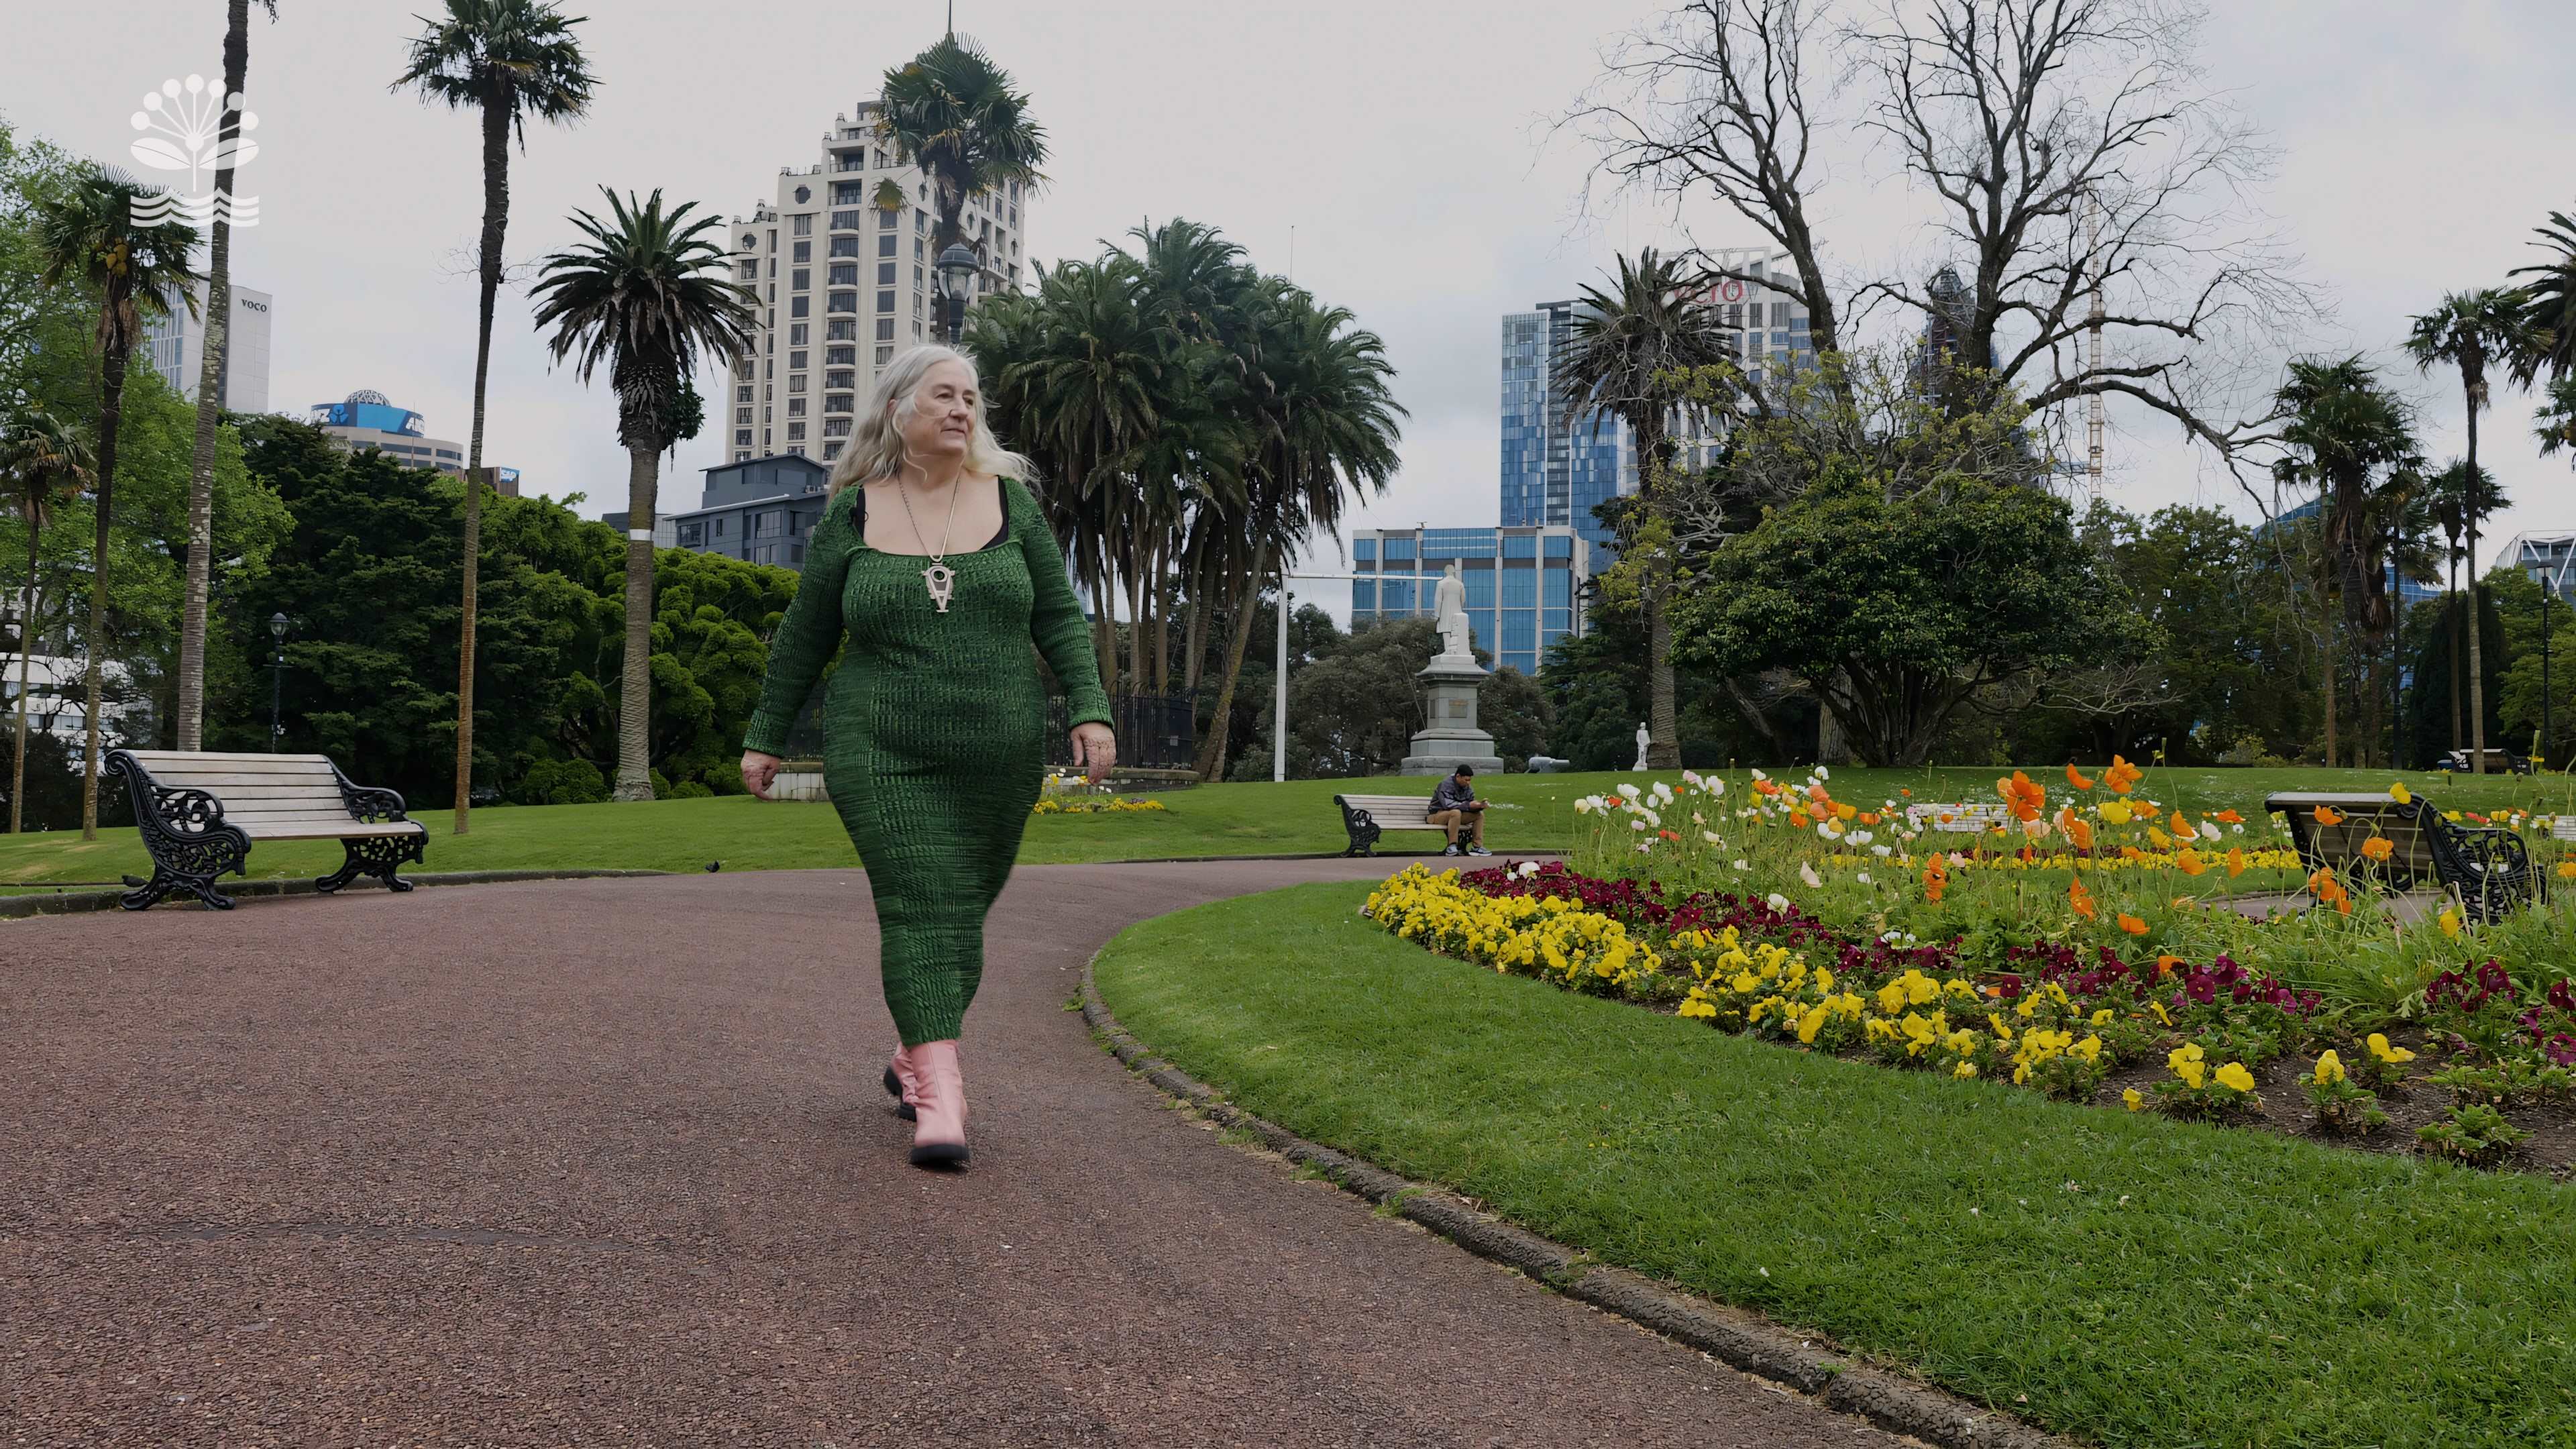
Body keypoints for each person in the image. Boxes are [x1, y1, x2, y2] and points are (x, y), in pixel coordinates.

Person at [739, 345, 1115, 1171]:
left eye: (972, 398)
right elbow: (805, 635)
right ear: (900, 409)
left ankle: (914, 1054)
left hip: (999, 749)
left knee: (960, 916)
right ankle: (942, 1095)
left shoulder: (1011, 505)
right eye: (944, 395)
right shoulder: (854, 514)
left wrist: (1090, 709)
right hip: (879, 744)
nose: (962, 410)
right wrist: (766, 734)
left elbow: (1058, 617)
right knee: (919, 901)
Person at [1428, 765, 1491, 857]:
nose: (1469, 783)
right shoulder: (1446, 784)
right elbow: (1447, 805)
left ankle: (1477, 847)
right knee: (1456, 812)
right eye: (1466, 780)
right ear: (1458, 777)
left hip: (1456, 816)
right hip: (1437, 815)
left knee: (1479, 815)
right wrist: (1469, 805)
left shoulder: (1467, 787)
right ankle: (1452, 846)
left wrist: (1479, 806)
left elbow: (1469, 804)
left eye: (1470, 780)